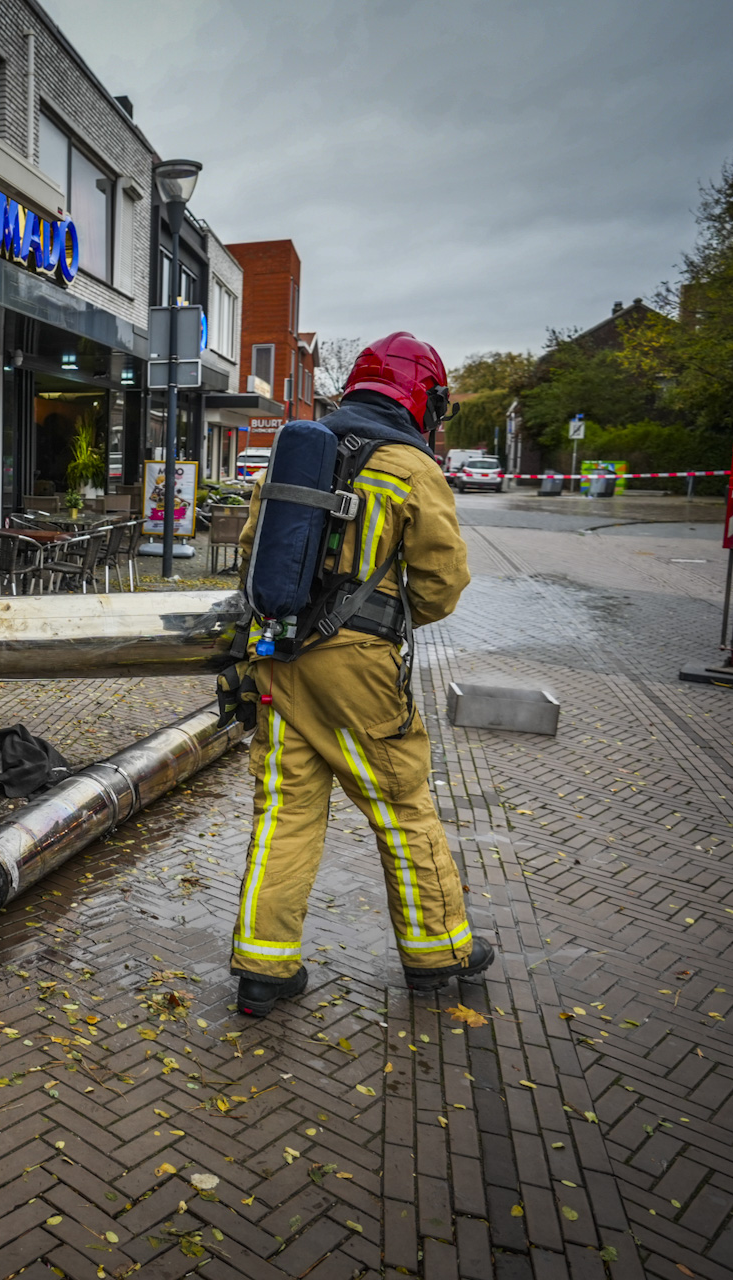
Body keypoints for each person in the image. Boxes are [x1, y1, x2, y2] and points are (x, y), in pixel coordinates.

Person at [229, 332, 494, 1017]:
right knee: (401, 803)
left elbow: (250, 554)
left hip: (278, 655)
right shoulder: (410, 467)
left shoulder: (296, 450)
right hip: (360, 669)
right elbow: (441, 584)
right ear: (423, 399)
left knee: (284, 807)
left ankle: (264, 969)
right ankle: (439, 953)